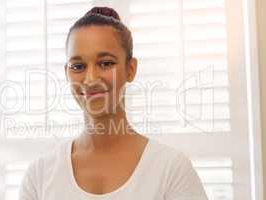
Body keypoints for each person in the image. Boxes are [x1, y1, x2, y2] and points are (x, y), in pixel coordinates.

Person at [19, 6, 208, 200]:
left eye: (106, 63)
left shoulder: (171, 169)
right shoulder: (40, 176)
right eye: (78, 66)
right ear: (66, 72)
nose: (91, 78)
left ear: (131, 69)